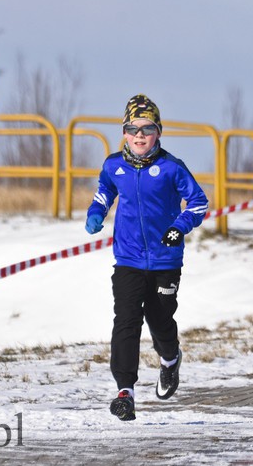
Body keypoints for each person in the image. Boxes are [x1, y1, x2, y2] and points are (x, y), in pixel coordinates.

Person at [85, 94, 209, 421]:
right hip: (127, 259)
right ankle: (125, 391)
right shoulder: (114, 165)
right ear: (124, 132)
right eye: (132, 128)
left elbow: (198, 203)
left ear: (159, 132)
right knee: (126, 321)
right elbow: (104, 192)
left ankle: (170, 359)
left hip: (165, 261)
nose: (139, 135)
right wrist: (96, 212)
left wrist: (179, 227)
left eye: (147, 128)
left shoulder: (172, 168)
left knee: (159, 321)